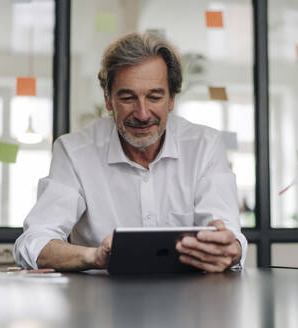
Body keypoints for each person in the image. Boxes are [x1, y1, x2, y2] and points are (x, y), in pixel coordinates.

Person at [13, 32, 247, 273]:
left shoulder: (205, 146)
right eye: (127, 97)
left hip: (190, 302)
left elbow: (230, 237)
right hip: (100, 304)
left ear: (172, 99)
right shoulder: (74, 151)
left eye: (154, 97)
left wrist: (230, 249)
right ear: (108, 100)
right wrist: (94, 256)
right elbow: (33, 243)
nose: (142, 113)